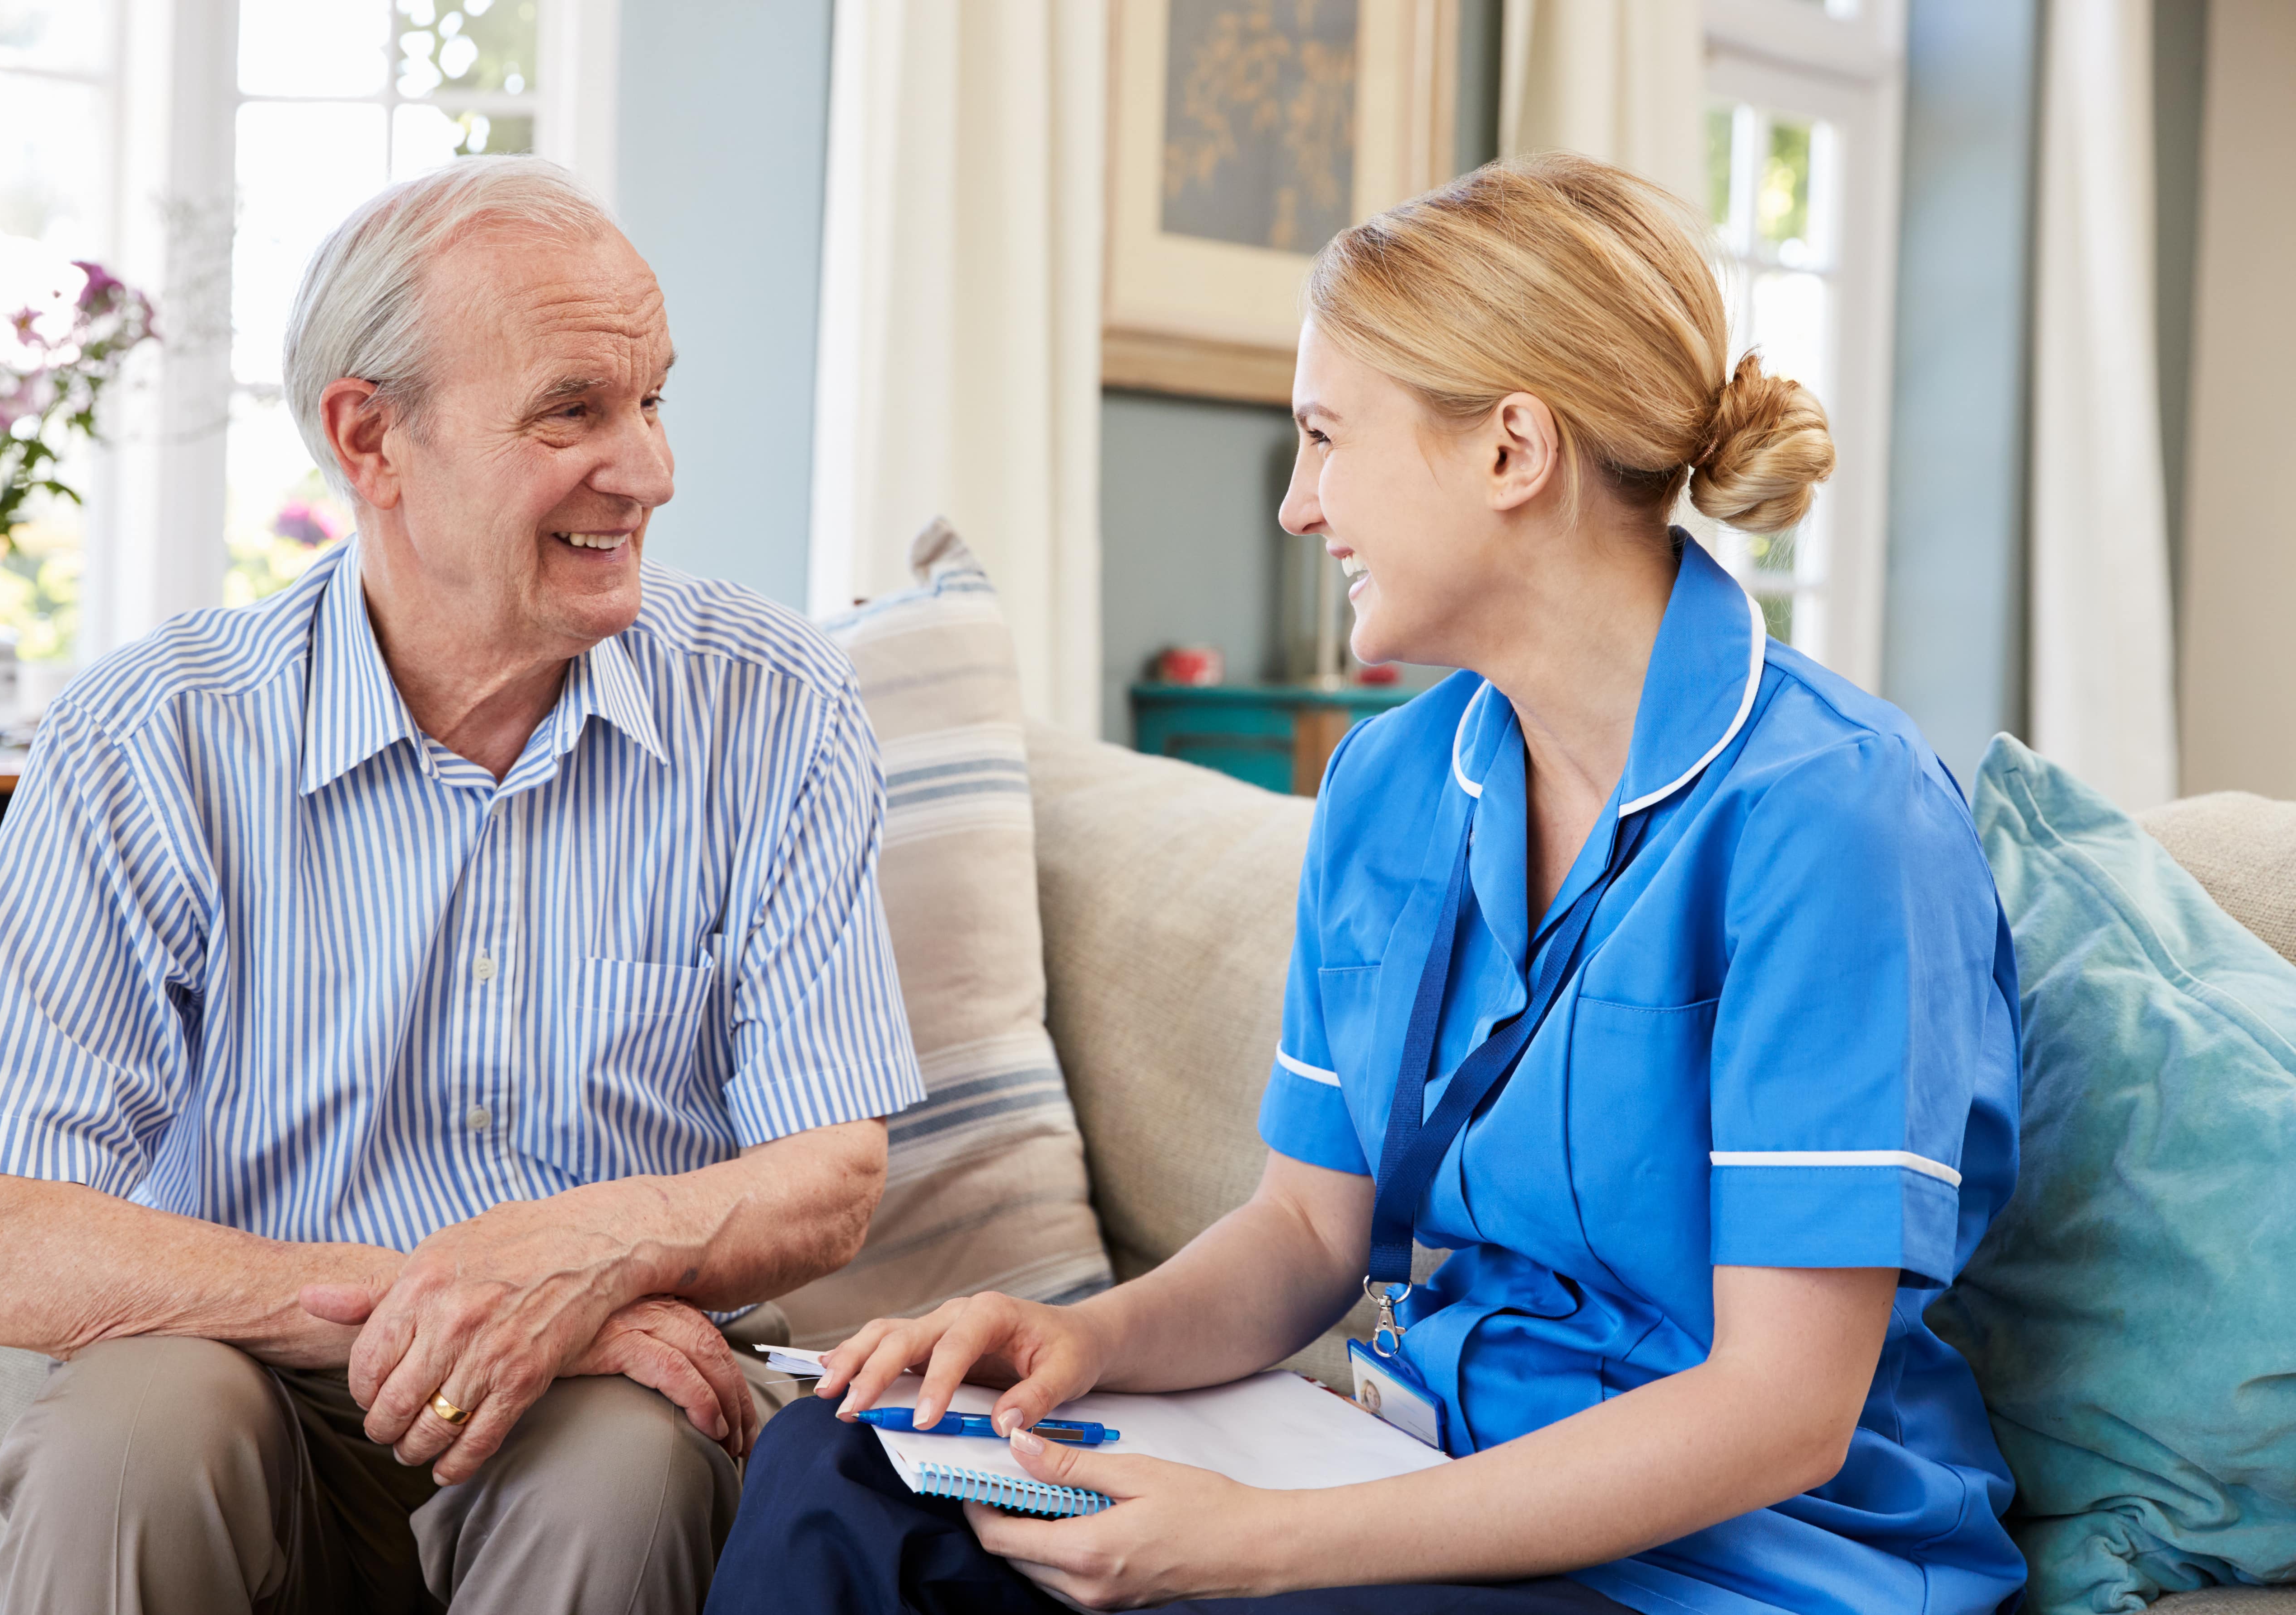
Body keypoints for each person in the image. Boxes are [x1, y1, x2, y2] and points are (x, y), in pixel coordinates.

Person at [708, 153, 2026, 1615]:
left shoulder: (1836, 818)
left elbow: (1779, 1413)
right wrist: (1072, 1338)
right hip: (1401, 1480)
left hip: (1721, 1569)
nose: (1296, 505)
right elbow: (1306, 1234)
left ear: (1512, 451)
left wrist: (1248, 1543)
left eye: (1327, 438)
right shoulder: (1393, 787)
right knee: (844, 1468)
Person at [0, 156, 926, 1615]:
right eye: (575, 409)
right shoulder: (156, 732)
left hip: (602, 1413)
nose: (650, 468)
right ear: (372, 439)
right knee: (131, 1443)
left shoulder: (773, 702)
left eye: (653, 400)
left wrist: (585, 1262)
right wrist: (493, 1306)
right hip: (259, 1385)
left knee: (623, 1471)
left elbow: (830, 1173)